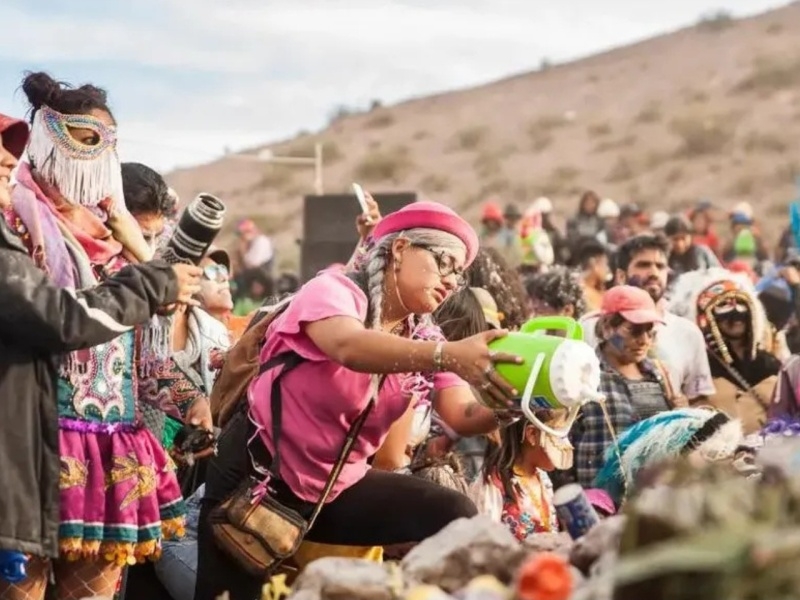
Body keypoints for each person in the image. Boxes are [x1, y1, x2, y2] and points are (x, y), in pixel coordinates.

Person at [195, 200, 524, 600]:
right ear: (401, 249)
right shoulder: (333, 291)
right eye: (445, 263)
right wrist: (448, 355)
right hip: (255, 478)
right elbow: (348, 345)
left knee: (455, 514)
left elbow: (464, 412)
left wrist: (514, 406)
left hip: (336, 490)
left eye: (459, 274)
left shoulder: (425, 336)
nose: (452, 281)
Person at [0, 111, 203, 600]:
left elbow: (138, 361)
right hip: (36, 448)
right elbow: (55, 321)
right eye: (82, 141)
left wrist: (191, 399)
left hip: (111, 456)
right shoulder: (18, 230)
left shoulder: (126, 258)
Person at [581, 235, 715, 403]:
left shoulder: (688, 333)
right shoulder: (588, 327)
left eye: (660, 266)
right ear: (621, 276)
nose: (654, 273)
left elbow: (700, 400)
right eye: (643, 265)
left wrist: (684, 412)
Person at [571, 286, 674, 488]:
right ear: (608, 327)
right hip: (600, 504)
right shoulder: (583, 373)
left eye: (649, 331)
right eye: (633, 330)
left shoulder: (658, 374)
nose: (644, 340)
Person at [669, 269, 780, 434]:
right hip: (718, 454)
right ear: (707, 318)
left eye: (741, 307)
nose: (735, 317)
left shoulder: (771, 364)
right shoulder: (700, 366)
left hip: (767, 453)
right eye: (723, 307)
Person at [470, 413, 572, 540]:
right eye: (559, 437)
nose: (568, 446)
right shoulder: (493, 482)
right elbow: (483, 544)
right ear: (532, 434)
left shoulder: (542, 476)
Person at [572, 238, 609, 312]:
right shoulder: (579, 290)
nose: (607, 269)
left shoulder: (600, 290)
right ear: (594, 263)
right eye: (605, 264)